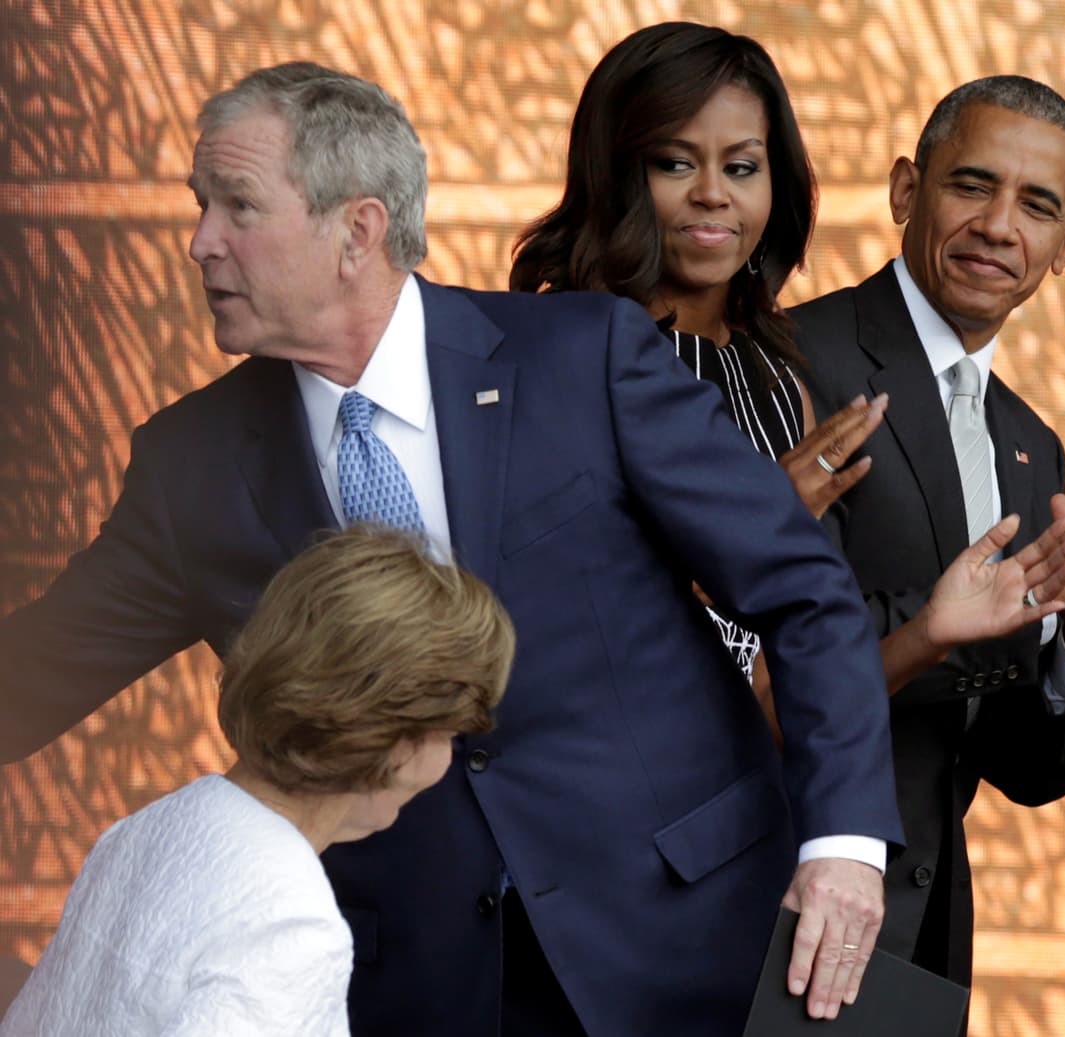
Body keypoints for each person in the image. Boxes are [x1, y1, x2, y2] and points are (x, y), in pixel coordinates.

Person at [0, 63, 900, 1036]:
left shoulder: (583, 355)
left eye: (238, 207)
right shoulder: (192, 466)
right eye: (199, 205)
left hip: (689, 932)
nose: (200, 242)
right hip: (415, 984)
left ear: (357, 229)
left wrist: (844, 843)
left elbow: (804, 592)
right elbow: (32, 675)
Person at [789, 75, 1065, 996]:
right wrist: (988, 610)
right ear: (905, 190)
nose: (999, 226)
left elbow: (1019, 768)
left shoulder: (1030, 444)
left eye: (1037, 206)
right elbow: (767, 655)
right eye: (973, 185)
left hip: (923, 942)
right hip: (777, 903)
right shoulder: (790, 359)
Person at [510, 23, 1065, 730]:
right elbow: (537, 618)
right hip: (593, 778)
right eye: (674, 162)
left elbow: (775, 699)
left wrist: (930, 633)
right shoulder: (556, 357)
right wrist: (737, 548)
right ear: (617, 172)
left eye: (742, 168)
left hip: (750, 794)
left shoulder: (779, 380)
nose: (713, 194)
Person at [0, 525, 514, 1036]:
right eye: (453, 732)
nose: (447, 758)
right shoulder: (287, 924)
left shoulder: (146, 830)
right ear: (399, 741)